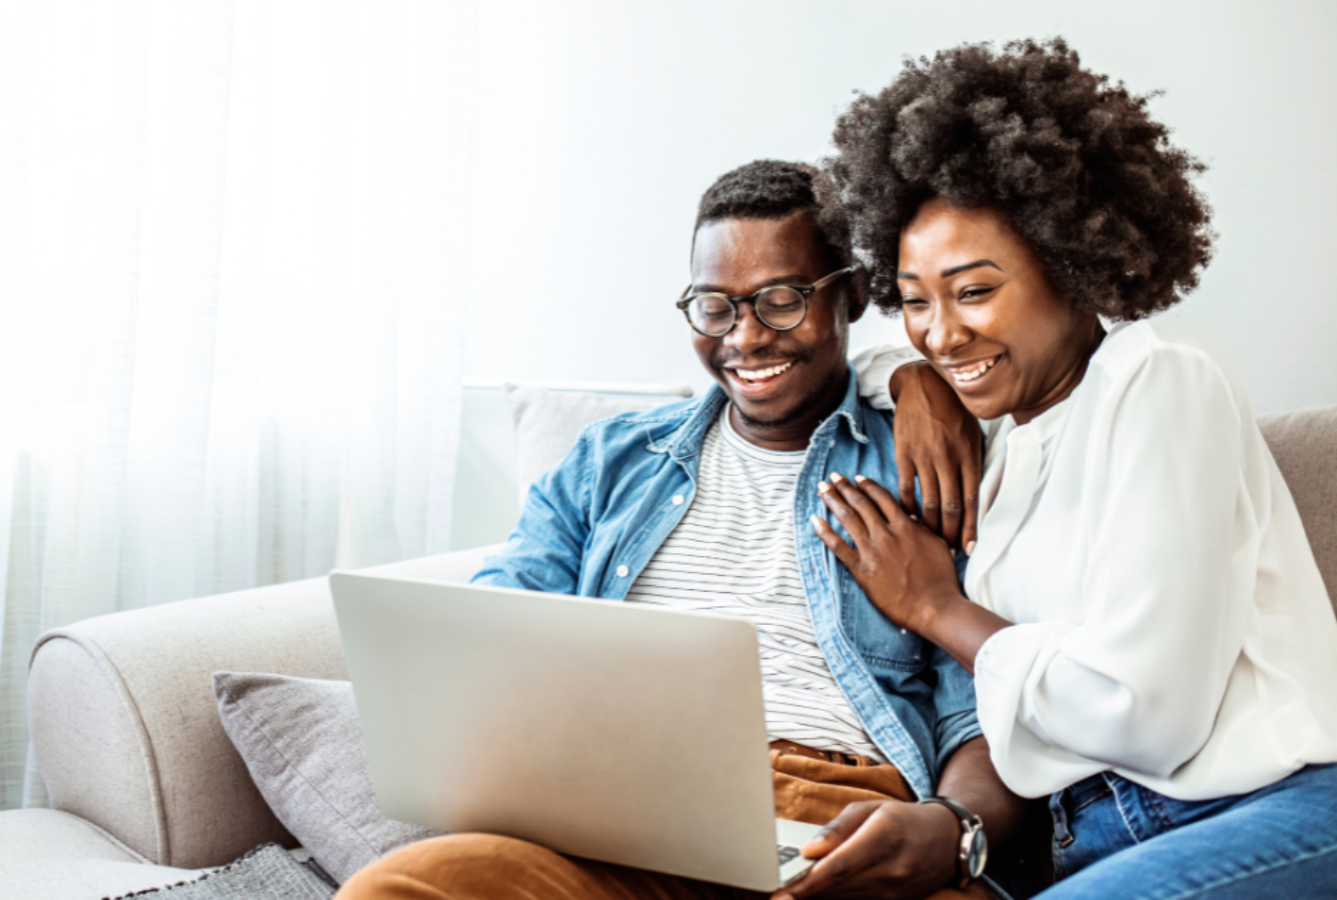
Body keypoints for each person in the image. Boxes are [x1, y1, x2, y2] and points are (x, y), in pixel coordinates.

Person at [337, 161, 1033, 900]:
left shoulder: (928, 463)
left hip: (834, 814)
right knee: (398, 888)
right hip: (615, 812)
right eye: (713, 306)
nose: (746, 337)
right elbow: (488, 635)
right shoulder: (610, 461)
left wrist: (953, 827)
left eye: (782, 301)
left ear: (854, 293)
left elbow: (986, 707)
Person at [810, 38, 1337, 899]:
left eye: (974, 291)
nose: (942, 334)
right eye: (913, 301)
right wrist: (912, 381)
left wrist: (937, 607)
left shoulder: (1157, 375)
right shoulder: (1008, 432)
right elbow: (866, 362)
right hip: (1089, 842)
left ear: (1071, 264)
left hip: (1264, 808)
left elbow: (1147, 715)